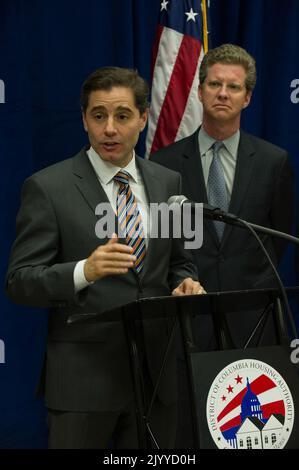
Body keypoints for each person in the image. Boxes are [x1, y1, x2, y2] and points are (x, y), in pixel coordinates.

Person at [5, 66, 205, 449]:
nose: (109, 128)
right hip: (84, 386)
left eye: (122, 115)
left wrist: (184, 282)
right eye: (98, 116)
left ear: (143, 118)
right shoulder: (48, 187)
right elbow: (20, 281)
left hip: (155, 379)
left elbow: (180, 261)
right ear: (84, 120)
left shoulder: (169, 182)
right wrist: (85, 271)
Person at [150, 44, 294, 447]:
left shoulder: (273, 161)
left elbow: (275, 236)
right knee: (186, 436)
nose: (223, 94)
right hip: (186, 322)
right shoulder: (162, 164)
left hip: (253, 319)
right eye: (214, 84)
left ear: (247, 97)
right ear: (199, 90)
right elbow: (163, 243)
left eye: (233, 87)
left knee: (249, 436)